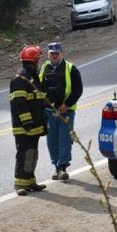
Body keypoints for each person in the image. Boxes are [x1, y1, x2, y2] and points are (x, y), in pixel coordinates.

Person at [39, 42, 83, 181]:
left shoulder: (71, 69)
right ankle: (56, 168)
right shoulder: (44, 68)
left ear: (62, 53)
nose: (54, 56)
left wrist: (67, 105)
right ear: (48, 54)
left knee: (64, 139)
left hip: (66, 112)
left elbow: (78, 90)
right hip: (49, 112)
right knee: (52, 141)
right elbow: (39, 89)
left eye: (57, 53)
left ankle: (63, 168)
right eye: (52, 53)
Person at [10, 45, 48, 196]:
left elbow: (39, 102)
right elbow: (20, 103)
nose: (39, 61)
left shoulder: (34, 77)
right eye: (38, 59)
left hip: (35, 126)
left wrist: (43, 123)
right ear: (34, 60)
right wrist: (27, 122)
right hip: (24, 127)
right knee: (23, 154)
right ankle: (20, 184)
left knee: (32, 153)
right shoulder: (20, 78)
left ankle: (30, 181)